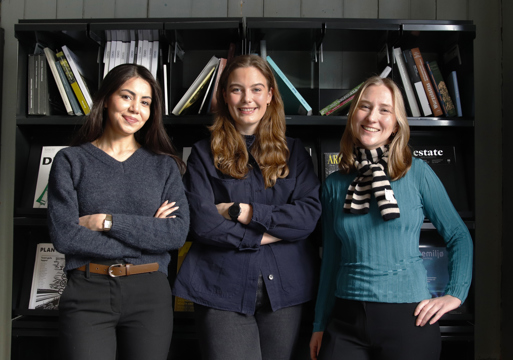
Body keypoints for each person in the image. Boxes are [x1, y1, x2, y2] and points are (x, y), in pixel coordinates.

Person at [309, 76, 473, 360]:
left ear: (396, 123)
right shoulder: (335, 185)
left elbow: (459, 235)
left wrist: (455, 294)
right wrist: (319, 325)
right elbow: (331, 261)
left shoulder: (417, 173)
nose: (372, 117)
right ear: (353, 115)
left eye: (384, 109)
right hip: (346, 321)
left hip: (409, 321)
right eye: (364, 107)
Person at [173, 54, 322, 360]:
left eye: (256, 89)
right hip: (219, 288)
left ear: (269, 95)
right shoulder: (203, 154)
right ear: (225, 96)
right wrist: (268, 234)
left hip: (287, 290)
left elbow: (307, 218)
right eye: (237, 89)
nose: (247, 99)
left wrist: (244, 211)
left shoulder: (295, 153)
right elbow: (201, 223)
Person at [47, 64, 190, 360]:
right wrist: (147, 233)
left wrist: (106, 221)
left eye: (145, 102)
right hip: (88, 290)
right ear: (107, 99)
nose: (135, 108)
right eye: (127, 96)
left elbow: (175, 233)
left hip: (150, 293)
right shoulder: (70, 161)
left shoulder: (165, 166)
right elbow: (64, 236)